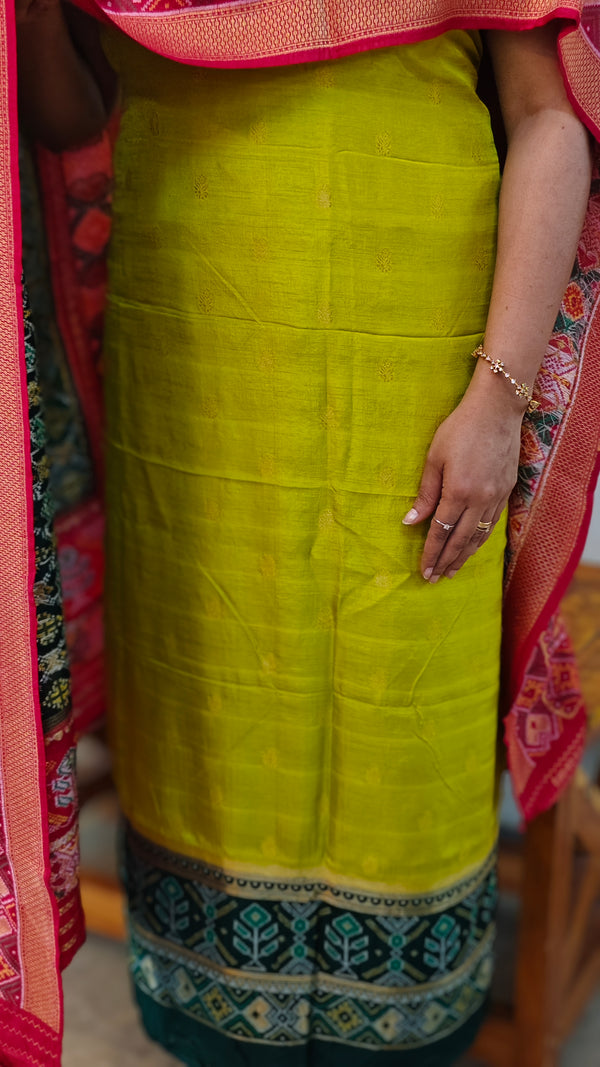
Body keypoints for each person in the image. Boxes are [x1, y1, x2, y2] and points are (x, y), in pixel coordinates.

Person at [9, 2, 600, 1065]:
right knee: (209, 720)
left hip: (418, 381)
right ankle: (211, 1022)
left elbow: (547, 120)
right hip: (192, 391)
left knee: (403, 709)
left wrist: (500, 400)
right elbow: (67, 118)